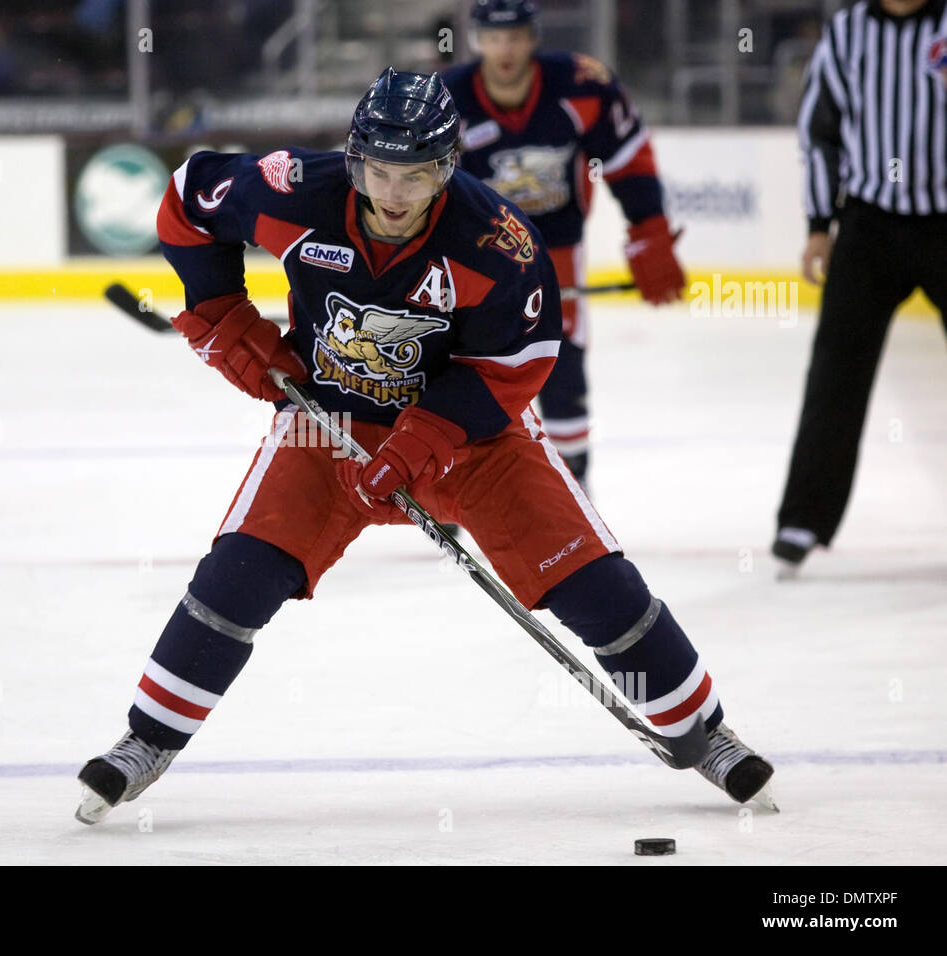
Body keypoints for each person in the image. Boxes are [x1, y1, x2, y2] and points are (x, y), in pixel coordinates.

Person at [75, 69, 773, 825]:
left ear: (448, 167)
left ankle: (703, 734)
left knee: (594, 588)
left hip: (472, 442)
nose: (396, 192)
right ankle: (145, 741)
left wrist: (427, 438)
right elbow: (186, 199)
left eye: (417, 174)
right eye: (379, 169)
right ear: (353, 158)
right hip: (326, 426)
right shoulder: (291, 192)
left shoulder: (496, 243)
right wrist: (220, 316)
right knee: (237, 577)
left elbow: (521, 362)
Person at [440, 0, 685, 486]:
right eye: (493, 37)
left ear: (533, 38)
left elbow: (628, 157)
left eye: (515, 37)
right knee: (459, 359)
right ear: (476, 41)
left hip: (555, 247)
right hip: (475, 253)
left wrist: (650, 231)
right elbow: (424, 185)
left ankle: (572, 476)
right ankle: (450, 474)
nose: (505, 49)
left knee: (561, 357)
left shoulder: (582, 85)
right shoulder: (447, 99)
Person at [774, 0, 947, 573]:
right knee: (835, 373)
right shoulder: (847, 34)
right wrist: (819, 226)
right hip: (870, 225)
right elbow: (819, 131)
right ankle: (804, 517)